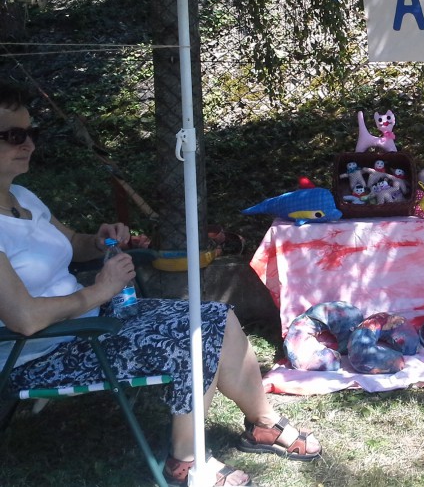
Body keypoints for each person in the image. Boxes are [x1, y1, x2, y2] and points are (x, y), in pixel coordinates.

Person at [0, 82, 320, 486]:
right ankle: (186, 462)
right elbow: (25, 319)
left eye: (32, 132)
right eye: (14, 135)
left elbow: (73, 243)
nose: (28, 143)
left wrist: (96, 240)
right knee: (193, 337)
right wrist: (99, 291)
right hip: (41, 353)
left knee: (214, 315)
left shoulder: (22, 197)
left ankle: (263, 423)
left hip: (91, 325)